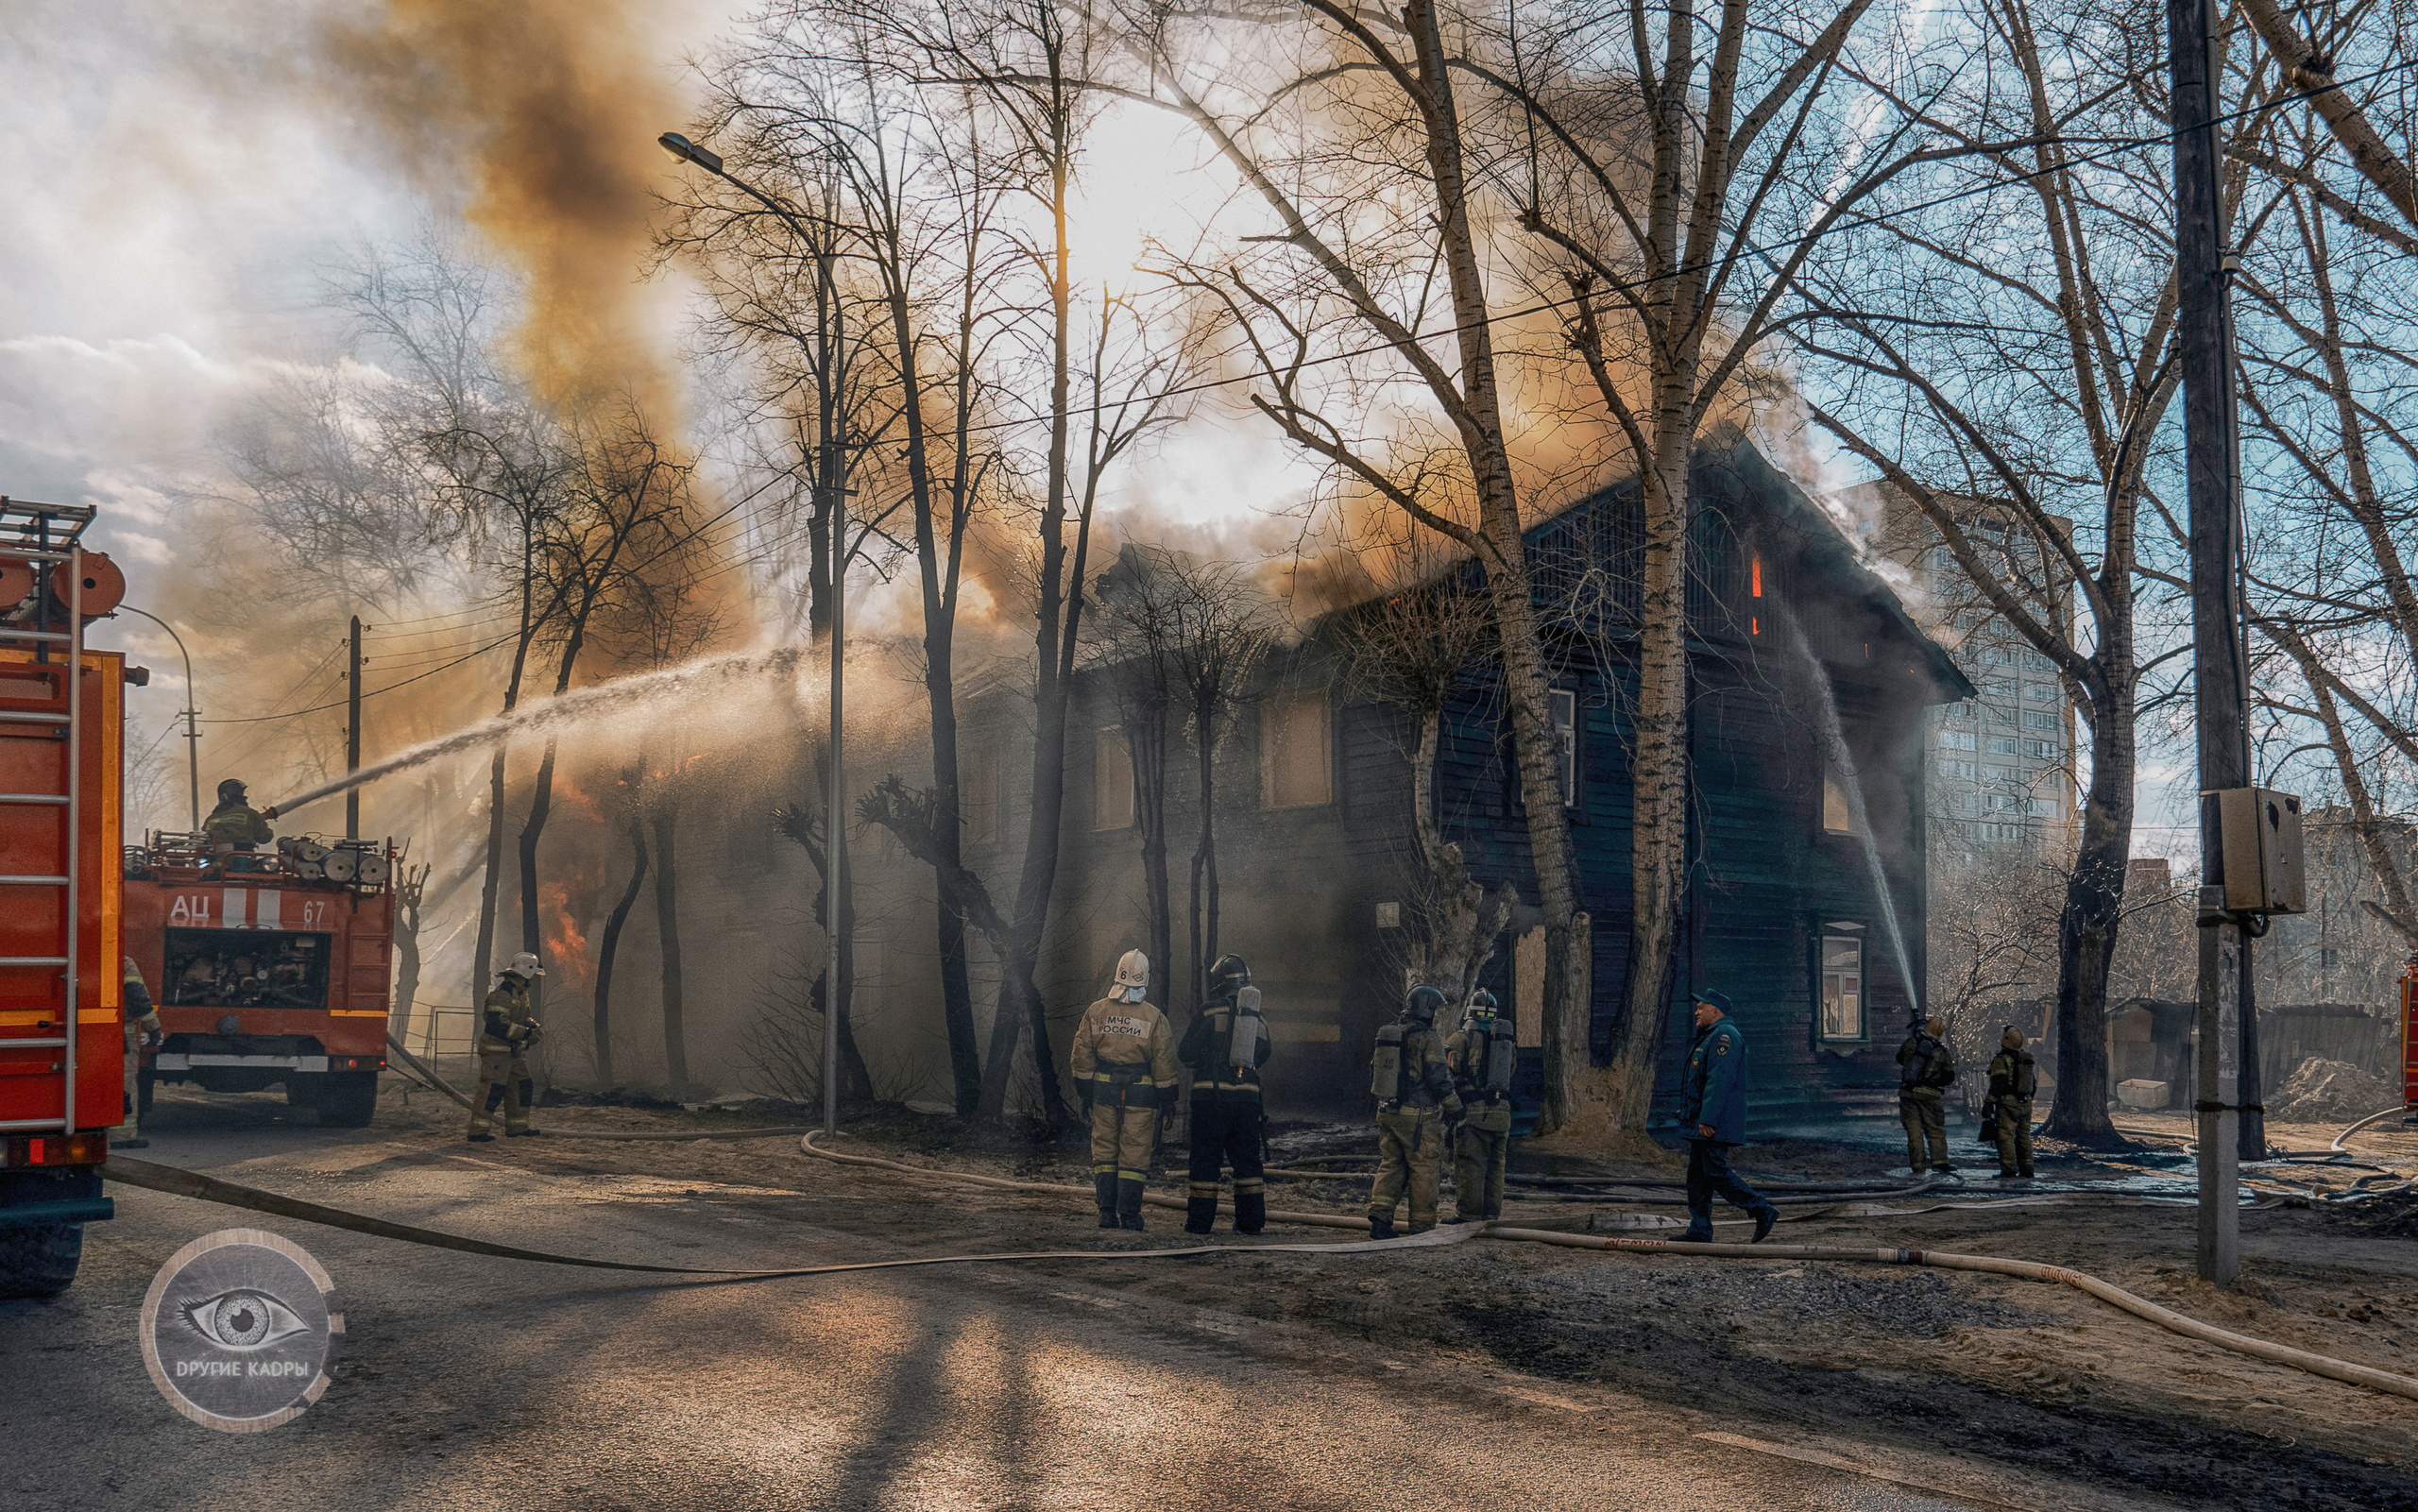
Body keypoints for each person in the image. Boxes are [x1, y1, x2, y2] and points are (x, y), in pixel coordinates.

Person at [1069, 949, 1179, 1232]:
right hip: (1141, 1096)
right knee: (1135, 1152)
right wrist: (1168, 1099)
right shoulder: (1154, 1017)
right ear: (1146, 978)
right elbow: (1164, 1062)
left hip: (1104, 1092)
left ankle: (1106, 1213)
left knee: (1104, 1148)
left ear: (1117, 973)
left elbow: (1082, 1055)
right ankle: (1129, 1215)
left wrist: (1085, 1091)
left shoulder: (1096, 1011)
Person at [1177, 953, 1272, 1235]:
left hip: (1211, 1100)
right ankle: (1250, 1223)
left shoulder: (1208, 1011)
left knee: (1205, 1161)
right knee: (1248, 1162)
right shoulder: (1257, 1017)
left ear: (1218, 982)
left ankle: (1199, 1223)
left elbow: (1186, 1053)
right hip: (1247, 1100)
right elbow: (1263, 1054)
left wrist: (1207, 1063)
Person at [1677, 990, 1779, 1243]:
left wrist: (1708, 1118)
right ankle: (1699, 1229)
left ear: (1715, 1011)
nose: (1696, 1012)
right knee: (1697, 1178)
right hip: (1702, 1120)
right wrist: (1689, 1112)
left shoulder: (1724, 1036)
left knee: (1715, 1172)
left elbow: (1719, 1081)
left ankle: (1761, 1209)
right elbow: (1700, 1083)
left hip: (1714, 1123)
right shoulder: (1710, 1036)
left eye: (1701, 1007)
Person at [1367, 983, 1463, 1239]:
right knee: (1424, 1169)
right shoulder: (1427, 1038)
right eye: (1435, 1009)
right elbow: (1438, 1078)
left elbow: (1374, 1070)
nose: (1437, 1014)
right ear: (1427, 1009)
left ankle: (1379, 1221)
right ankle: (1421, 1228)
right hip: (1417, 1118)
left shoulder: (1391, 1034)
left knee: (1391, 1164)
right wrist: (1456, 1108)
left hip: (1387, 1112)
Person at [1443, 988, 1514, 1224]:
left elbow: (1446, 1072)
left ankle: (1468, 1215)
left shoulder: (1460, 1038)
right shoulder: (1504, 1041)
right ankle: (1491, 1215)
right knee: (1496, 1166)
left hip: (1473, 1114)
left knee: (1471, 1164)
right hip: (1502, 1113)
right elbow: (1511, 1071)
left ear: (1469, 1012)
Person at [468, 953, 545, 1142]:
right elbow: (497, 1024)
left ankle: (517, 1127)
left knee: (522, 1086)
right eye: (533, 975)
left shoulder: (521, 994)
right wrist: (525, 1034)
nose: (534, 979)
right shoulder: (503, 994)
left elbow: (520, 1017)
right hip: (497, 1052)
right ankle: (478, 1132)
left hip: (513, 1052)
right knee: (492, 1090)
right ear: (525, 973)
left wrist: (532, 1026)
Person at [1896, 1013, 1958, 1175]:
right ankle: (1940, 1162)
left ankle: (1917, 1166)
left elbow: (1900, 1058)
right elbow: (1949, 1077)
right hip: (1930, 1095)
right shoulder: (1942, 1052)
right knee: (1935, 1128)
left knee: (1914, 1132)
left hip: (1908, 1093)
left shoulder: (1911, 1043)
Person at [112, 956, 162, 1149]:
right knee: (124, 1082)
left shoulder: (82, 957)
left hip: (84, 1030)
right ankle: (122, 1136)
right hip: (120, 1033)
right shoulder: (123, 962)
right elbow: (137, 996)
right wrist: (153, 1027)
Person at [1986, 1025, 2038, 1180]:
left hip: (2008, 1104)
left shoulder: (2001, 1060)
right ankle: (2027, 1168)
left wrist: (1989, 1103)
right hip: (2025, 1104)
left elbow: (1998, 1084)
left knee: (2006, 1136)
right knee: (2024, 1136)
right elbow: (2033, 1084)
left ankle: (2008, 1169)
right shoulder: (2025, 1060)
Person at [200, 778, 274, 852]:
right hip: (243, 856)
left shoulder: (210, 819)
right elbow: (265, 837)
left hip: (215, 857)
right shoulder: (249, 813)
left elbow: (203, 841)